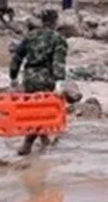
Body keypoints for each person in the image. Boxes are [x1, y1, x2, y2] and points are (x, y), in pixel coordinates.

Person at [10, 9, 68, 156]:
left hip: (29, 77)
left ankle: (44, 139)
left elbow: (17, 57)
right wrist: (59, 82)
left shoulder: (30, 36)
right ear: (55, 22)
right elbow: (58, 62)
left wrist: (13, 77)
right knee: (41, 112)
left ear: (42, 21)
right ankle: (27, 143)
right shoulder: (58, 39)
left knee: (33, 110)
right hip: (46, 78)